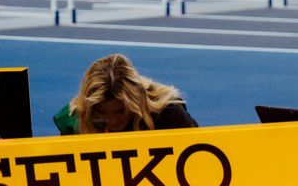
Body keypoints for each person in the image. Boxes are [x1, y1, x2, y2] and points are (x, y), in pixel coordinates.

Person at [59, 53, 198, 135]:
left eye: (120, 111)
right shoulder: (77, 118)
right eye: (102, 113)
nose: (113, 120)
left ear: (135, 102)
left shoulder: (168, 114)